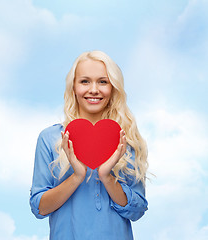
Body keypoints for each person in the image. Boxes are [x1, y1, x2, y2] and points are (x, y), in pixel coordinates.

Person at [30, 50, 148, 240]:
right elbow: (39, 208)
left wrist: (106, 177)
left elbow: (137, 211)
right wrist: (77, 176)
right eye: (85, 81)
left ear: (113, 88)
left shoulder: (127, 140)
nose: (94, 89)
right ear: (74, 87)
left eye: (103, 81)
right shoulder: (49, 138)